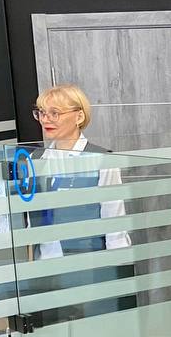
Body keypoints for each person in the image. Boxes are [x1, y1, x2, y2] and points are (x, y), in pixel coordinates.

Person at [28, 84, 132, 322]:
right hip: (47, 266)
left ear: (79, 116)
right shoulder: (35, 159)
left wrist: (117, 273)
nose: (46, 119)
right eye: (41, 112)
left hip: (89, 266)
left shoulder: (100, 159)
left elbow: (114, 222)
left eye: (55, 113)